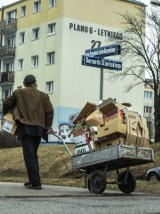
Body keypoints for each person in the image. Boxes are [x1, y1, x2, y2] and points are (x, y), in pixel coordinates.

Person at [3, 74, 54, 190]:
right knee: (33, 154)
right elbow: (49, 111)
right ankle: (33, 180)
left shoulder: (18, 92)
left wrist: (7, 116)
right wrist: (48, 126)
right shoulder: (44, 95)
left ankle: (36, 183)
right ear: (35, 83)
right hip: (40, 129)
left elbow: (6, 103)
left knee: (29, 155)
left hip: (25, 127)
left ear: (25, 84)